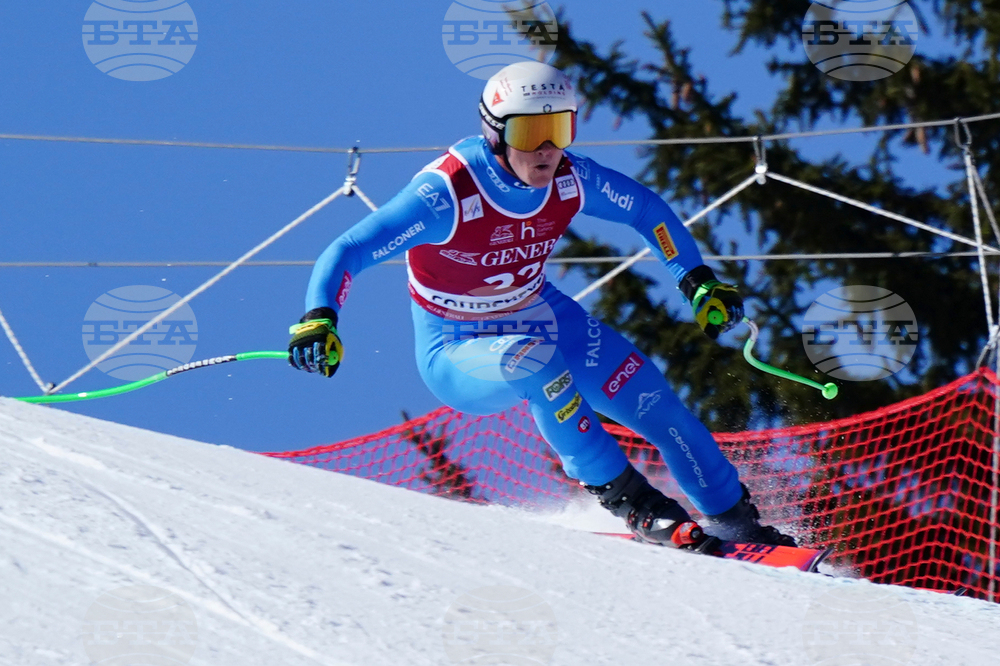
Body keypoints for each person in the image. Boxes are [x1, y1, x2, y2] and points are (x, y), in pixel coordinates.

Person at [288, 62, 795, 549]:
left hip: (541, 315)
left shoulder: (571, 178)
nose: (548, 149)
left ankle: (739, 524)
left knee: (657, 404)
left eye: (560, 128)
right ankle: (636, 504)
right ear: (495, 133)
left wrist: (696, 280)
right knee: (536, 363)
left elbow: (647, 210)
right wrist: (320, 318)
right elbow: (347, 251)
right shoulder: (447, 193)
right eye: (532, 134)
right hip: (458, 346)